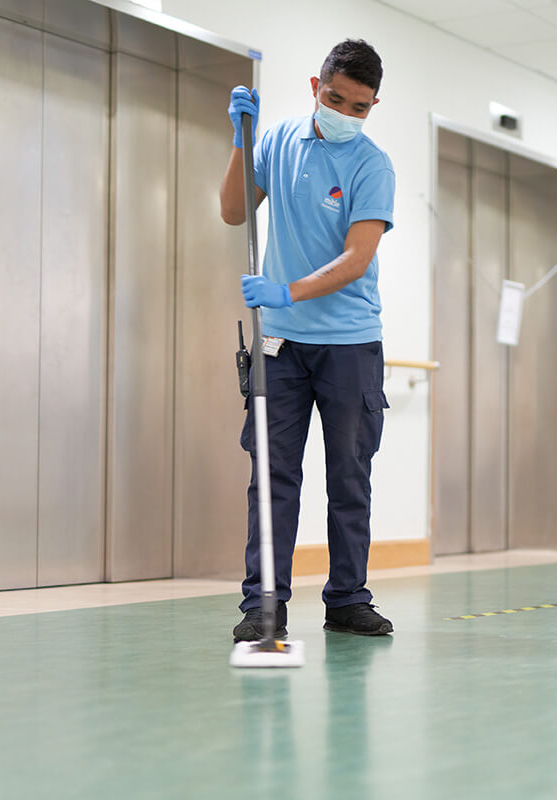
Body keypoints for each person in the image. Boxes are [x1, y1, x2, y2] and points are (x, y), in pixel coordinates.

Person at [220, 39, 396, 641]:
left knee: (349, 475)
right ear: (314, 85)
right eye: (335, 97)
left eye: (360, 106)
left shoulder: (372, 165)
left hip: (349, 344)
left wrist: (286, 292)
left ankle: (347, 598)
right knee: (272, 477)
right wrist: (242, 143)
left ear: (374, 105)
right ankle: (263, 605)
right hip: (282, 348)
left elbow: (357, 258)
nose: (345, 112)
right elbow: (233, 211)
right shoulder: (277, 142)